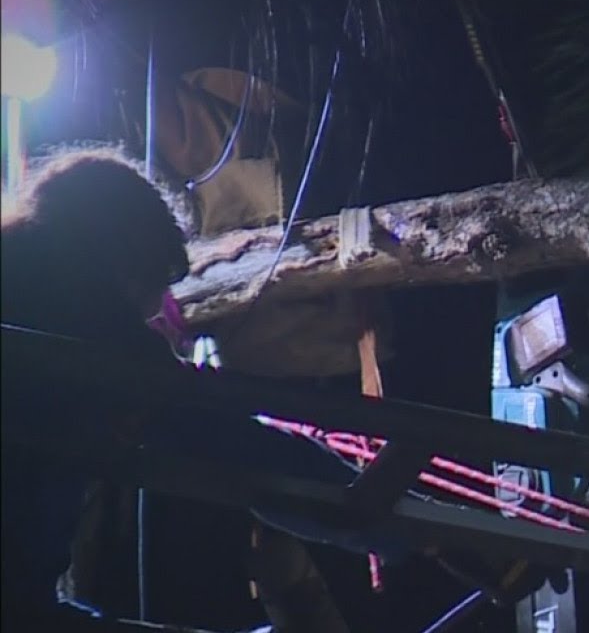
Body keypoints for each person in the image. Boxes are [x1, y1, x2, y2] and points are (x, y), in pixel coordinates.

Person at [0, 144, 351, 632]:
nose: (151, 315)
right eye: (150, 292)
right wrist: (377, 508)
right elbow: (222, 437)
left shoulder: (22, 282)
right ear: (126, 265)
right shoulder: (97, 332)